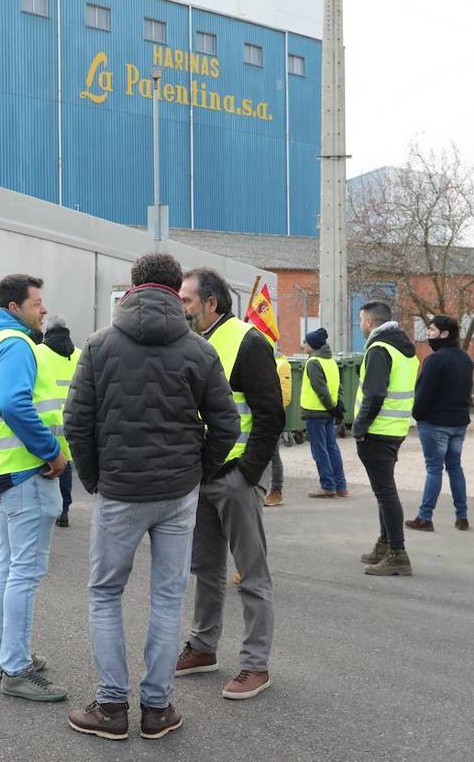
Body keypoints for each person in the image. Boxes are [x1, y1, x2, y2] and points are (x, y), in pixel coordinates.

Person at [64, 254, 239, 741]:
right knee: (167, 596)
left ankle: (112, 707)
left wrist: (96, 478)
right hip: (177, 492)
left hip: (120, 490)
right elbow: (227, 425)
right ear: (172, 289)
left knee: (105, 594)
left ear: (134, 287)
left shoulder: (99, 346)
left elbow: (76, 422)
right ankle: (158, 710)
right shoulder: (200, 351)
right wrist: (196, 473)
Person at [175, 268, 284, 701]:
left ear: (211, 303)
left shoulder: (247, 341)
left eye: (186, 300)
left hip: (235, 477)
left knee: (252, 576)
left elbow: (270, 415)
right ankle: (203, 647)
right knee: (206, 570)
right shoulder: (193, 342)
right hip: (201, 477)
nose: (180, 306)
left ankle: (255, 665)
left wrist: (248, 475)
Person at [0, 273, 68, 703]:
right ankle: (16, 668)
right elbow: (13, 404)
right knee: (24, 572)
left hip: (2, 470)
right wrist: (52, 453)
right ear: (15, 308)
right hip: (26, 471)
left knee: (9, 567)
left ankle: (8, 653)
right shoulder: (15, 345)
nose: (43, 309)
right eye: (36, 303)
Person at [353, 301, 419, 575]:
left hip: (378, 431)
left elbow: (375, 393)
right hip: (395, 428)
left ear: (369, 322)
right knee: (384, 491)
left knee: (385, 492)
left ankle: (397, 554)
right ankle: (385, 543)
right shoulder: (404, 350)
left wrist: (360, 425)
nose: (360, 325)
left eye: (361, 320)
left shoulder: (379, 349)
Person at [405, 316, 474, 531]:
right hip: (459, 423)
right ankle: (462, 517)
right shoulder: (466, 359)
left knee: (434, 469)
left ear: (445, 334)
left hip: (435, 423)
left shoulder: (434, 360)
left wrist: (417, 415)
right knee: (455, 467)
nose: (428, 333)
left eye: (432, 330)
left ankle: (425, 517)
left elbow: (424, 393)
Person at [37, 315, 80, 527]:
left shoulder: (37, 352)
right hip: (71, 419)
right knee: (67, 464)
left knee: (47, 463)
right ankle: (64, 510)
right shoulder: (80, 355)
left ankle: (48, 509)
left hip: (45, 418)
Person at [299, 327, 348, 499]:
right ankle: (341, 486)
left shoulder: (313, 363)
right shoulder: (331, 361)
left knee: (319, 450)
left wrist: (330, 406)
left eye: (306, 342)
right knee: (332, 448)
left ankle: (327, 486)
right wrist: (336, 408)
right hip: (329, 413)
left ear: (312, 345)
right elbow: (339, 387)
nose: (304, 345)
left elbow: (320, 388)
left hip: (316, 412)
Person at [264, 352, 292, 507]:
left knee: (274, 455)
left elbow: (285, 396)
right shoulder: (267, 362)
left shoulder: (282, 364)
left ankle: (276, 491)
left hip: (273, 415)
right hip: (264, 414)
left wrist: (273, 410)